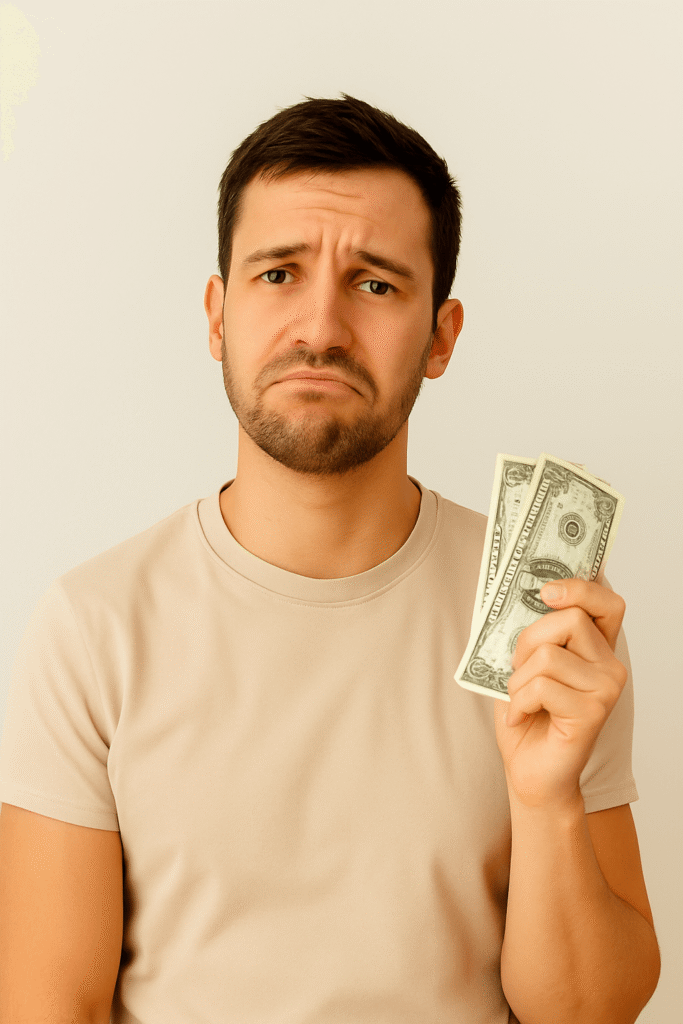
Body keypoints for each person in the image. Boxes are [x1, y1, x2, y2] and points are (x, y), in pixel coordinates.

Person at [0, 93, 660, 1024]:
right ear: (216, 314)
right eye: (278, 273)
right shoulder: (92, 628)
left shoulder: (546, 629)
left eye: (376, 283)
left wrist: (546, 798)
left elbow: (588, 1014)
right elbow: (46, 1007)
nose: (320, 328)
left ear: (441, 335)